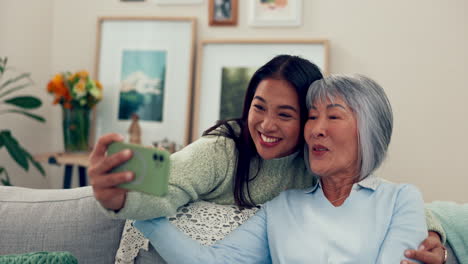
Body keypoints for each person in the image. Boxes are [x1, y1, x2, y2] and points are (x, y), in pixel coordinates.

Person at [89, 55, 445, 263]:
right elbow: (209, 255)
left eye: (332, 117)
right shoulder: (273, 198)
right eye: (259, 108)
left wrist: (433, 235)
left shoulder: (396, 197)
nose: (316, 129)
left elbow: (398, 204)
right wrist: (131, 206)